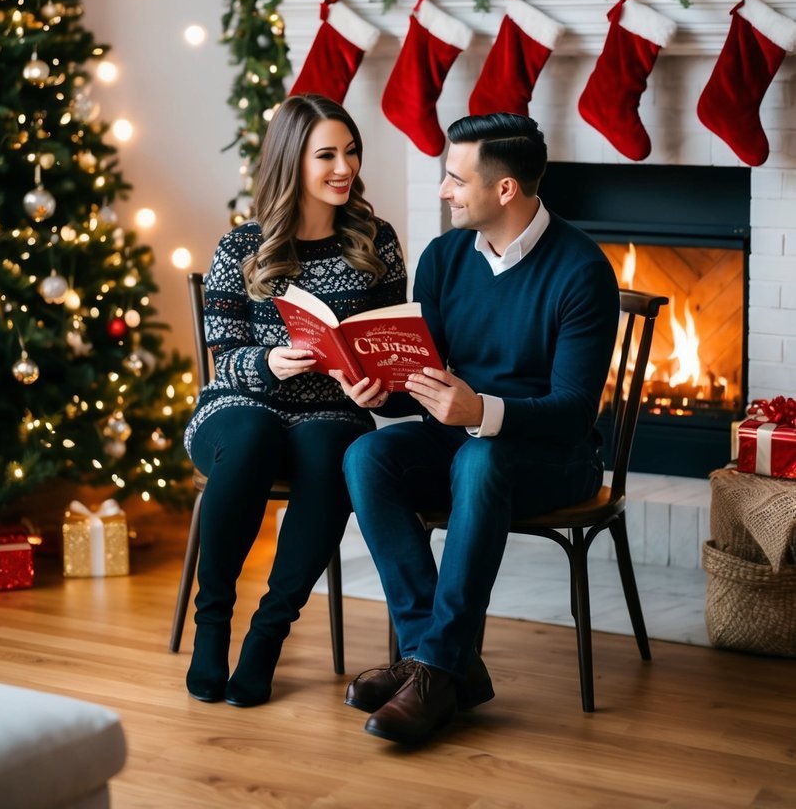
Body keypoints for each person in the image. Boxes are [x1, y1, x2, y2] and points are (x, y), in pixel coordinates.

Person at [337, 112, 621, 744]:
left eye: (455, 179)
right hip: (462, 438)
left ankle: (434, 670)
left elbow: (575, 410)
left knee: (479, 460)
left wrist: (482, 413)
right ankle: (435, 663)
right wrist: (380, 392)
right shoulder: (442, 260)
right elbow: (424, 386)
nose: (443, 190)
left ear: (504, 190)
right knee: (366, 456)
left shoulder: (581, 270)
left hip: (556, 454)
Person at [183, 93, 407, 707]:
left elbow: (390, 348)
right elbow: (222, 356)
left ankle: (267, 636)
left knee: (333, 447)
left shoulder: (376, 241)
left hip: (332, 407)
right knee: (255, 436)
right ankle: (212, 625)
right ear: (292, 160)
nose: (345, 167)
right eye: (327, 154)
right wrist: (270, 361)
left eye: (351, 152)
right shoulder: (242, 247)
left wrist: (377, 385)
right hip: (241, 403)